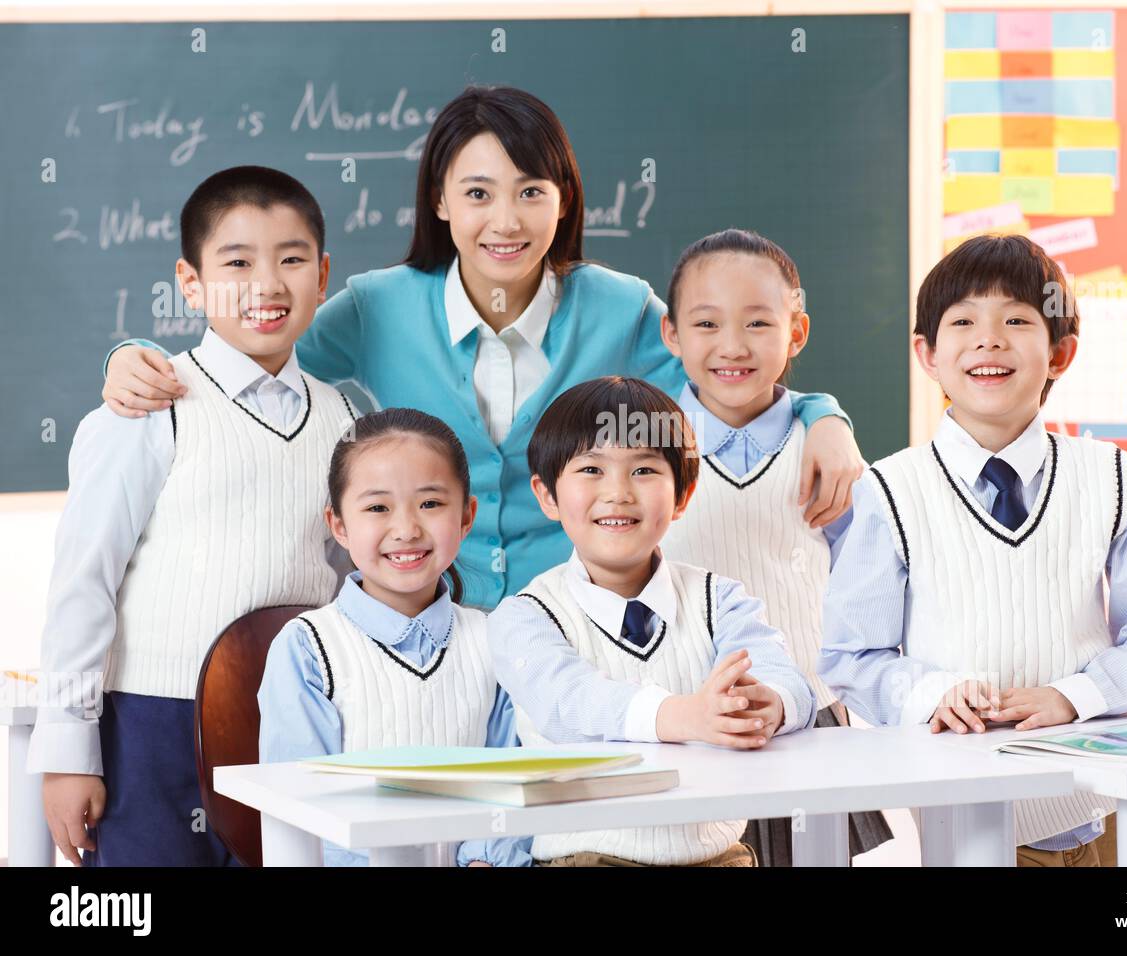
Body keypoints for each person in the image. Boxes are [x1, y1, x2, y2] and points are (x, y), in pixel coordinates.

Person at [97, 86, 863, 610]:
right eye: (478, 193)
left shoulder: (620, 308)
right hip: (425, 623)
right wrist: (135, 352)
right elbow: (258, 359)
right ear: (439, 199)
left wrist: (824, 413)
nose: (507, 219)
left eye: (532, 191)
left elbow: (725, 384)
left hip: (579, 622)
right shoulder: (378, 307)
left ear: (564, 199)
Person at [818, 234, 1127, 866]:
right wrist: (932, 694)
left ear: (1060, 353)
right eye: (964, 321)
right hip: (969, 816)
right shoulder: (891, 490)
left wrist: (1075, 696)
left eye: (1017, 320)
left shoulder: (1109, 476)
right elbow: (850, 656)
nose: (989, 339)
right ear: (927, 353)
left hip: (1102, 808)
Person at [31, 166, 357, 866]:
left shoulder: (347, 418)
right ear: (191, 282)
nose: (267, 285)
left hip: (294, 724)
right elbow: (82, 585)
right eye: (237, 262)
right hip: (154, 722)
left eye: (292, 260)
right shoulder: (146, 410)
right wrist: (67, 750)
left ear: (323, 276)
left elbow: (348, 579)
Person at [491, 376, 817, 866]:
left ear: (683, 495)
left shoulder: (720, 599)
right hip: (587, 858)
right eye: (591, 469)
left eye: (644, 469)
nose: (618, 492)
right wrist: (685, 716)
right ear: (548, 495)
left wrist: (769, 704)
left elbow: (784, 676)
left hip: (720, 858)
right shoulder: (526, 616)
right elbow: (568, 705)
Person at [657, 228, 892, 865]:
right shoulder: (645, 448)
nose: (732, 346)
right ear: (671, 334)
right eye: (706, 323)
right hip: (686, 727)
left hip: (807, 722)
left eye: (759, 323)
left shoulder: (827, 456)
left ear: (797, 332)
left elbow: (867, 592)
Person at [258, 408, 531, 867]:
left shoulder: (494, 640)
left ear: (467, 517)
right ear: (339, 524)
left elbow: (513, 787)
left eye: (430, 504)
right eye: (377, 507)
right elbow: (301, 810)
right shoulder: (308, 648)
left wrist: (484, 860)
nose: (406, 529)